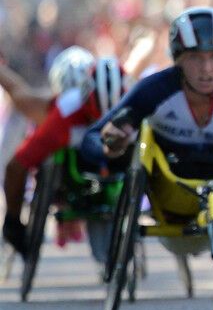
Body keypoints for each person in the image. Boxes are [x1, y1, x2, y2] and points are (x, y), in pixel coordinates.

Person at [80, 6, 213, 289]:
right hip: (168, 192)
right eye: (195, 58)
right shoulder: (154, 88)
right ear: (178, 59)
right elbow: (91, 140)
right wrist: (111, 144)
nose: (207, 69)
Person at [1, 46, 125, 266]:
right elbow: (17, 165)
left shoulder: (124, 93)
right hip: (69, 166)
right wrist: (13, 221)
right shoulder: (62, 114)